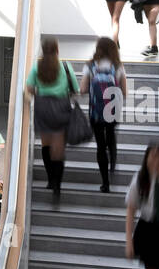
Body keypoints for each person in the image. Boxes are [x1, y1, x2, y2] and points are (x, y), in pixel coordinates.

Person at [26, 36, 80, 196]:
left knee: (45, 145)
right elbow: (75, 90)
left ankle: (50, 179)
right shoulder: (65, 66)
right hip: (61, 107)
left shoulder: (37, 67)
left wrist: (40, 92)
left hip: (43, 107)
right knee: (58, 149)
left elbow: (29, 88)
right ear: (57, 49)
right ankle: (57, 184)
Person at [79, 37, 127, 193]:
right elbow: (125, 92)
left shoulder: (90, 66)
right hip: (112, 111)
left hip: (96, 112)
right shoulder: (118, 66)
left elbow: (83, 89)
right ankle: (112, 161)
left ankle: (105, 183)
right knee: (111, 136)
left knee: (100, 146)